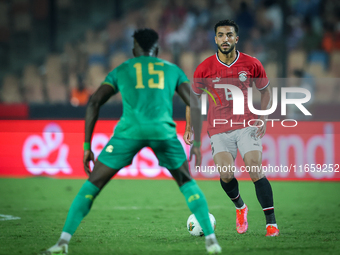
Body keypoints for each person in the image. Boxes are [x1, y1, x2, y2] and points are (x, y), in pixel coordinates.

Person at [41, 28, 221, 255]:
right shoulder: (172, 70)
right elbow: (194, 103)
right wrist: (195, 145)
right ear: (157, 49)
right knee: (186, 182)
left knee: (93, 184)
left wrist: (87, 147)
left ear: (135, 48)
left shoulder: (123, 69)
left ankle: (62, 243)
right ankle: (212, 242)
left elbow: (94, 101)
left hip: (129, 132)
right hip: (162, 132)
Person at [187, 20, 279, 237]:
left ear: (236, 39)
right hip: (218, 128)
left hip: (246, 124)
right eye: (220, 35)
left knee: (254, 168)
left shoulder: (251, 63)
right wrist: (190, 127)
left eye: (229, 35)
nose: (225, 39)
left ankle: (271, 224)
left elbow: (266, 92)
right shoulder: (205, 68)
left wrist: (263, 117)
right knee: (226, 174)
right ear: (215, 39)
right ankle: (240, 207)